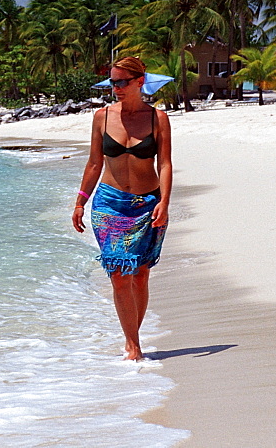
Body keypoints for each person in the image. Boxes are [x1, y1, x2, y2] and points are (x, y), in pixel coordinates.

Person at [71, 56, 172, 361]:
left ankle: (133, 337)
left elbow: (165, 164)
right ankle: (133, 345)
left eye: (122, 82)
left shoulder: (158, 119)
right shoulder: (101, 117)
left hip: (147, 203)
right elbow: (93, 162)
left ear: (140, 81)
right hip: (109, 204)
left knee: (140, 274)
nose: (115, 88)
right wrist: (80, 201)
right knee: (118, 273)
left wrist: (165, 202)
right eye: (112, 82)